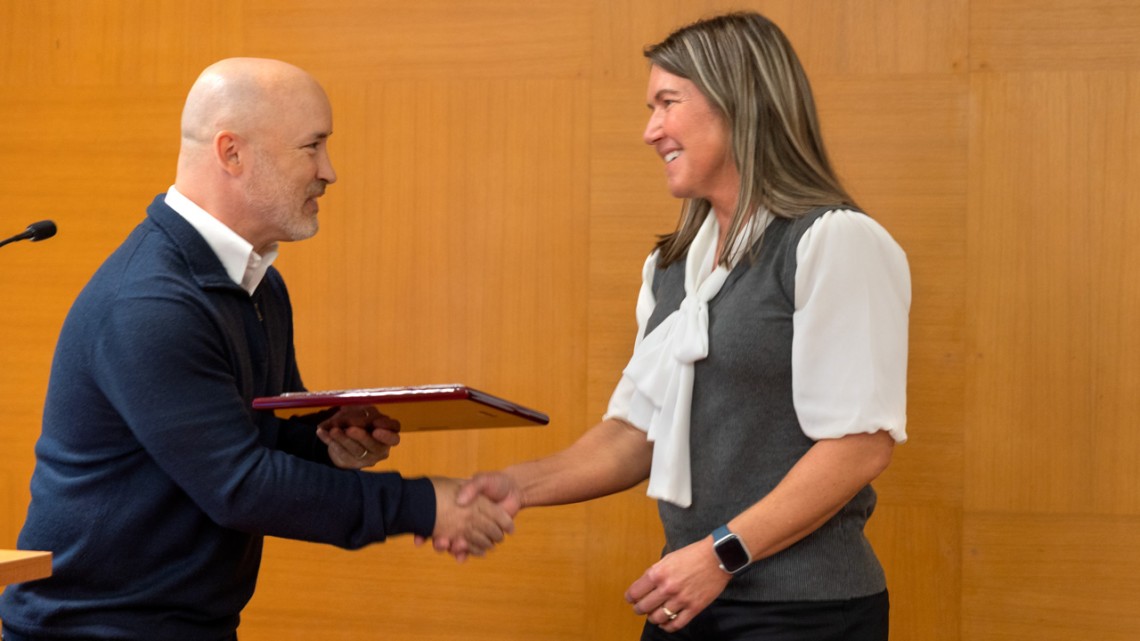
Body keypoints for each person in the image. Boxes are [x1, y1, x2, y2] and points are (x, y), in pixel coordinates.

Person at [0, 58, 512, 641]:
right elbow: (239, 487)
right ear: (232, 153)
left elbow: (262, 435)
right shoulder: (149, 302)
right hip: (89, 631)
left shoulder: (260, 281)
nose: (329, 172)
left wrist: (327, 446)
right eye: (312, 147)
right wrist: (423, 504)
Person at [450, 12, 910, 641]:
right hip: (690, 593)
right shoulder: (671, 267)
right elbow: (634, 435)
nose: (650, 131)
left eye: (667, 102)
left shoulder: (836, 241)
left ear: (739, 103)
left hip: (805, 612)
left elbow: (860, 445)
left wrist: (721, 553)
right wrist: (509, 487)